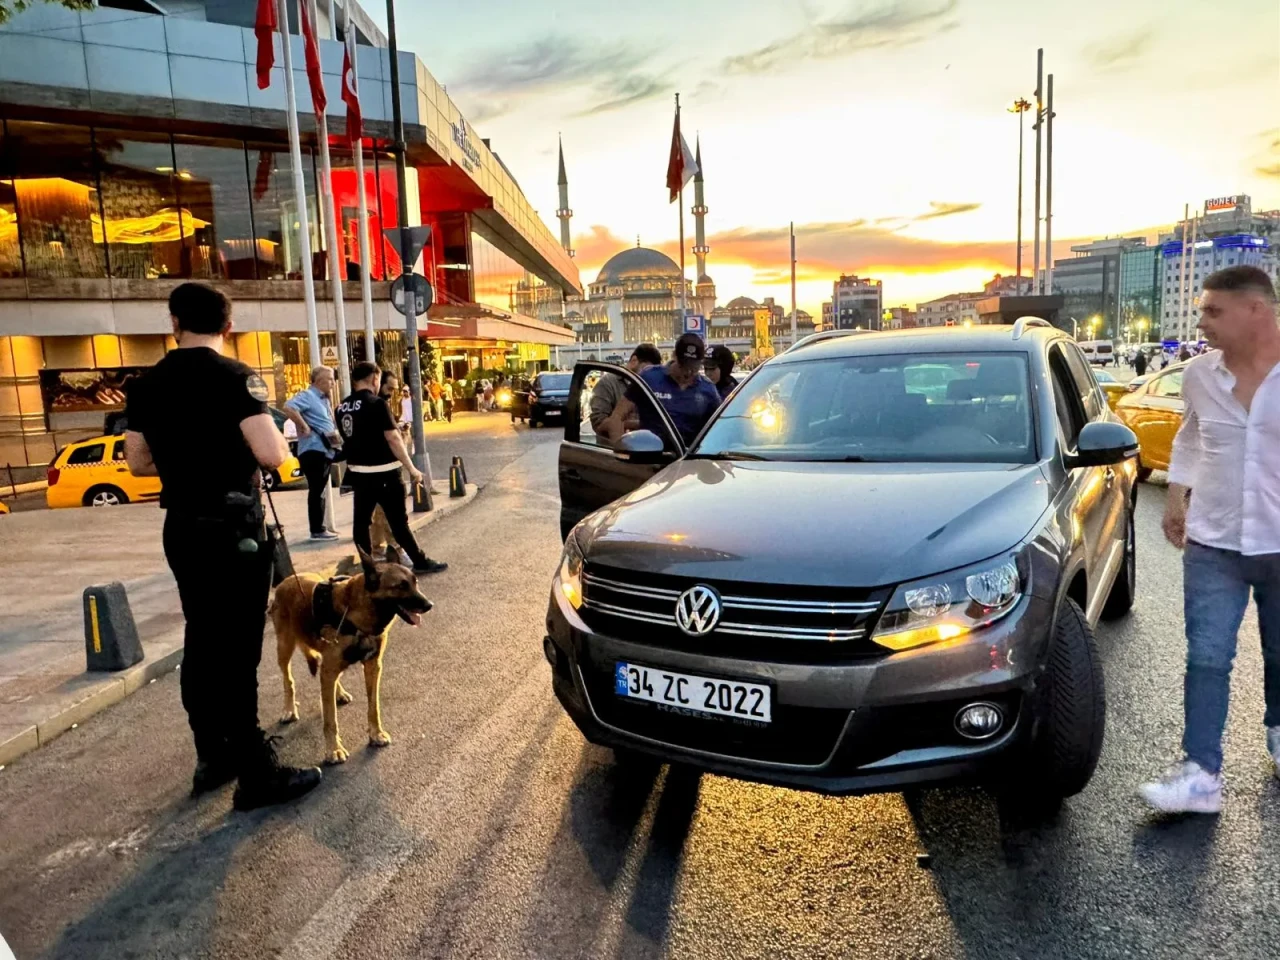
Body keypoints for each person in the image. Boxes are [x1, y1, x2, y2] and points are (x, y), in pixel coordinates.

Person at [123, 283, 321, 810]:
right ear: (227, 326)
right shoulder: (236, 378)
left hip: (183, 529)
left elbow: (137, 463)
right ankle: (257, 775)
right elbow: (273, 453)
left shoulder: (146, 385)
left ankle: (212, 755)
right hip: (234, 533)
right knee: (237, 648)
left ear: (174, 323)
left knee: (203, 639)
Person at [1139, 266, 1280, 815]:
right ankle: (1200, 774)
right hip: (1213, 542)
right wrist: (1176, 496)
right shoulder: (1199, 375)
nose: (1201, 322)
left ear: (1256, 311)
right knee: (1207, 656)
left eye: (1213, 311)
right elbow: (1190, 437)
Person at [336, 361, 447, 575]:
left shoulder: (341, 407)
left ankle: (369, 567)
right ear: (374, 378)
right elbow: (393, 438)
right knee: (398, 523)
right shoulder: (376, 403)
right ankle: (420, 561)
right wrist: (412, 469)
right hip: (385, 473)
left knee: (361, 523)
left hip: (359, 474)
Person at [603, 333, 721, 446]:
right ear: (674, 356)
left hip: (686, 456)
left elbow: (719, 428)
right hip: (650, 454)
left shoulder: (708, 390)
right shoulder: (649, 378)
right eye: (683, 366)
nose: (688, 372)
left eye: (694, 368)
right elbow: (617, 416)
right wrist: (620, 448)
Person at [283, 366, 341, 542]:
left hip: (325, 449)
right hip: (313, 449)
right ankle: (317, 530)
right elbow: (288, 407)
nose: (333, 383)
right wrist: (304, 425)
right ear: (319, 380)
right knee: (317, 490)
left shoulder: (324, 399)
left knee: (320, 489)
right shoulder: (308, 395)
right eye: (330, 379)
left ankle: (319, 528)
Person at [589, 343, 661, 438]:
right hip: (612, 444)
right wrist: (637, 424)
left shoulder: (651, 386)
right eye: (646, 370)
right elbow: (598, 422)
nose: (649, 375)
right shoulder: (608, 383)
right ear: (634, 361)